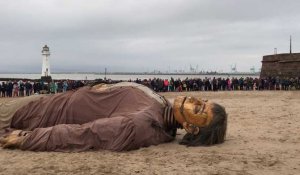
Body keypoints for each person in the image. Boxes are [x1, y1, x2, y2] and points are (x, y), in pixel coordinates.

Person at [0, 82, 227, 152]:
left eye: (199, 110)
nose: (195, 101)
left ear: (190, 128)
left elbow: (88, 134)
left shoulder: (143, 124)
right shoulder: (162, 105)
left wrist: (27, 138)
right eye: (202, 101)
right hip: (50, 100)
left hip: (35, 113)